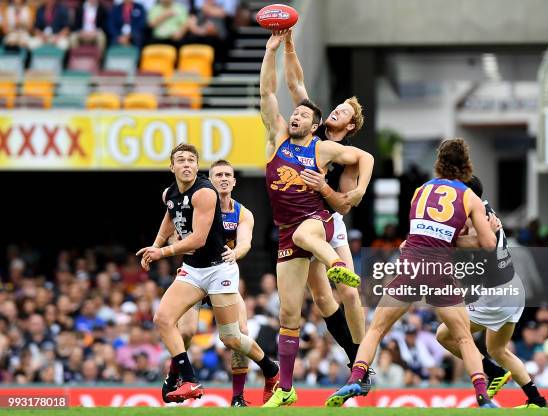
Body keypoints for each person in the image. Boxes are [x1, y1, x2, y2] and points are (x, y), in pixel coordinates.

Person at [326, 138, 499, 408]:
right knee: (464, 337)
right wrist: (491, 229)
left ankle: (356, 377)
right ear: (466, 164)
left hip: (410, 265)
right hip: (439, 268)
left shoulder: (420, 190)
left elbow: (416, 236)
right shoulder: (469, 197)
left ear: (438, 163)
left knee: (376, 329)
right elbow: (487, 245)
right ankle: (482, 394)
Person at [260, 32, 374, 407]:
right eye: (336, 106)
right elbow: (292, 85)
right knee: (313, 303)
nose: (336, 109)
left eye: (344, 110)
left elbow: (342, 204)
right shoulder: (301, 126)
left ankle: (361, 362)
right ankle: (299, 383)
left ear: (349, 125)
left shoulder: (329, 146)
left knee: (349, 293)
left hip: (325, 215)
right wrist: (283, 47)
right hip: (291, 226)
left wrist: (348, 193)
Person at [137, 143, 279, 402]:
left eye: (192, 160)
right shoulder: (169, 193)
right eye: (181, 160)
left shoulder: (205, 194)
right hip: (192, 270)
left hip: (219, 271)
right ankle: (187, 379)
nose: (187, 164)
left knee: (232, 337)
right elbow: (170, 216)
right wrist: (155, 245)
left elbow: (198, 240)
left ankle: (271, 369)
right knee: (163, 319)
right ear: (172, 167)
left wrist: (163, 253)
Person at [435, 175, 548, 408]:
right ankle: (537, 400)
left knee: (443, 334)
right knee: (497, 349)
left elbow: (467, 245)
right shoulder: (485, 211)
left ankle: (493, 373)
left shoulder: (474, 216)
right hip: (512, 288)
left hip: (496, 294)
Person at [171, 159, 277, 407]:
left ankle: (238, 397)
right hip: (196, 276)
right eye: (218, 175)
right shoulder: (198, 204)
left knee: (239, 335)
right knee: (185, 331)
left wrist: (236, 253)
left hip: (223, 277)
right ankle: (175, 377)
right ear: (210, 180)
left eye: (228, 174)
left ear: (234, 181)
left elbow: (246, 242)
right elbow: (178, 231)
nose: (223, 178)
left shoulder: (243, 213)